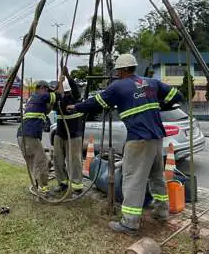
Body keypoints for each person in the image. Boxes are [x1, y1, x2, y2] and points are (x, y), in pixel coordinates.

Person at [68, 53, 183, 235]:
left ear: (120, 71)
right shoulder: (151, 83)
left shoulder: (118, 87)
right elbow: (178, 95)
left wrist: (76, 107)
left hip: (138, 139)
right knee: (156, 176)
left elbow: (95, 103)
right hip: (156, 138)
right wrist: (157, 104)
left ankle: (129, 223)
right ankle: (162, 212)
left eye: (117, 71)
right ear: (134, 67)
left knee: (133, 179)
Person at [17, 80, 58, 196]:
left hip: (21, 135)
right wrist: (59, 85)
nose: (47, 92)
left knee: (33, 162)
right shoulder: (41, 95)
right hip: (30, 135)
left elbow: (45, 110)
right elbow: (57, 96)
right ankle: (43, 188)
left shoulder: (33, 98)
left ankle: (37, 185)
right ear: (42, 88)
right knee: (42, 162)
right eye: (46, 90)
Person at [51, 67, 84, 195]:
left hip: (74, 134)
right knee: (57, 159)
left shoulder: (74, 97)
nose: (60, 90)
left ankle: (77, 186)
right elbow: (53, 96)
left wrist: (67, 75)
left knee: (74, 161)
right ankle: (62, 183)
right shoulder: (58, 100)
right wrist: (59, 81)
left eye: (62, 88)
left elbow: (75, 89)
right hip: (60, 134)